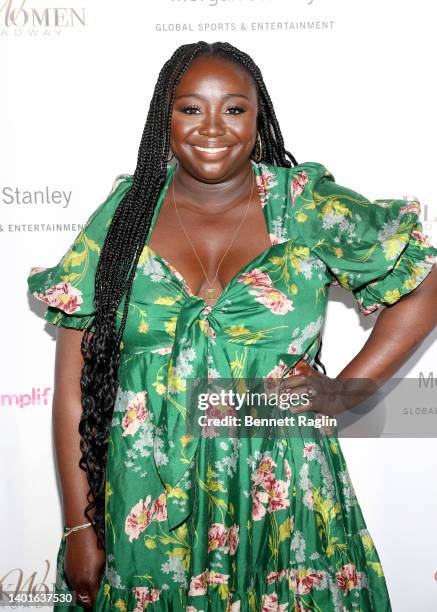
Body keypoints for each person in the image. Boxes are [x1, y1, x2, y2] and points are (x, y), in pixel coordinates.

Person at [26, 40, 437, 612]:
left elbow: (422, 282)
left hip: (284, 498)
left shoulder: (305, 206)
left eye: (234, 109)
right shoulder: (122, 218)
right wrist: (79, 529)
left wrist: (345, 389)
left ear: (257, 116)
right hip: (148, 506)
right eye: (191, 108)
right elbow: (73, 384)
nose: (212, 127)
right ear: (162, 119)